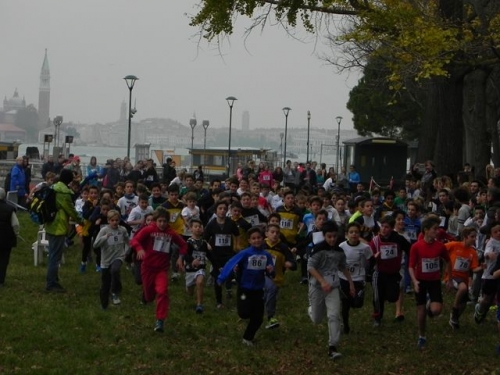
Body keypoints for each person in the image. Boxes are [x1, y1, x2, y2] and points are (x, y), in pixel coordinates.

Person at [130, 207, 187, 332]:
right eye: (160, 221)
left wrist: (180, 258)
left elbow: (183, 244)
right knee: (149, 296)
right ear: (156, 221)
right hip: (147, 267)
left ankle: (160, 320)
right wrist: (139, 249)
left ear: (168, 222)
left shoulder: (171, 233)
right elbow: (134, 240)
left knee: (162, 292)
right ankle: (147, 295)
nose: (162, 224)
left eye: (164, 221)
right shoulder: (149, 230)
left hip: (162, 269)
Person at [217, 227, 274, 346]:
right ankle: (246, 312)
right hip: (244, 288)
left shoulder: (266, 255)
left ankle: (247, 338)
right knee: (244, 313)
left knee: (258, 318)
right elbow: (231, 263)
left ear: (263, 239)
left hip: (258, 290)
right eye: (254, 238)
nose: (257, 240)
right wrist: (222, 278)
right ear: (249, 240)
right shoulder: (245, 253)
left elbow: (271, 272)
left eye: (259, 238)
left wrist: (270, 270)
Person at [307, 222, 355, 360]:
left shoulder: (339, 252)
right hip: (317, 287)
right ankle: (311, 310)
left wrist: (351, 284)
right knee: (317, 319)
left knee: (333, 316)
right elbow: (310, 267)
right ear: (324, 236)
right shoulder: (318, 250)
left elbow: (343, 267)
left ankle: (332, 347)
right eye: (329, 237)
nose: (332, 239)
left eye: (334, 236)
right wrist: (322, 281)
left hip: (333, 287)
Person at [409, 216, 453, 350]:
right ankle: (422, 336)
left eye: (438, 228)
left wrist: (449, 278)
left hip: (434, 281)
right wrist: (415, 281)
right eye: (435, 229)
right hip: (420, 281)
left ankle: (430, 306)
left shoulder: (440, 246)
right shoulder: (416, 246)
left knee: (436, 310)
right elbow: (411, 266)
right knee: (420, 310)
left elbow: (448, 261)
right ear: (426, 230)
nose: (438, 231)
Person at [45, 169, 84, 292]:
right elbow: (71, 210)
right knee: (55, 257)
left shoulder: (54, 187)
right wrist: (83, 222)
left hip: (50, 223)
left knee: (53, 253)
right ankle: (51, 284)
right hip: (59, 226)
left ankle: (53, 278)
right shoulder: (64, 192)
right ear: (69, 180)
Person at [338, 222, 372, 334]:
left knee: (357, 303)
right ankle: (345, 326)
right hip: (343, 278)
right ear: (346, 234)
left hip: (358, 278)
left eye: (356, 232)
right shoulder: (341, 246)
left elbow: (371, 260)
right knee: (345, 304)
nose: (354, 234)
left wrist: (368, 273)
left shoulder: (365, 247)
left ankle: (356, 299)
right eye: (351, 232)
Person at [444, 227, 481, 329]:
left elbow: (474, 269)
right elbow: (441, 249)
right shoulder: (454, 245)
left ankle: (454, 319)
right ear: (465, 237)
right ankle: (454, 310)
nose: (474, 239)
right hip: (452, 276)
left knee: (464, 304)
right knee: (463, 288)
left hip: (463, 278)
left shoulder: (473, 252)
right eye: (472, 237)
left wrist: (482, 267)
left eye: (475, 237)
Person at [93, 209, 130, 308]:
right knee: (105, 283)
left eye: (117, 220)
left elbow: (128, 241)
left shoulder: (122, 230)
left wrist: (126, 252)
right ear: (108, 221)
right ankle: (104, 304)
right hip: (106, 260)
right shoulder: (104, 230)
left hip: (118, 256)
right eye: (112, 220)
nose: (115, 222)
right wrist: (105, 237)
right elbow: (95, 244)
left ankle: (116, 291)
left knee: (115, 270)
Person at [263, 223, 296, 329]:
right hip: (260, 277)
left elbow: (293, 263)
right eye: (272, 232)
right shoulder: (261, 244)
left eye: (277, 232)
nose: (275, 234)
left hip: (276, 278)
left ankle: (269, 317)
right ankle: (270, 317)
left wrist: (290, 264)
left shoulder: (283, 247)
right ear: (266, 233)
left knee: (270, 297)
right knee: (266, 294)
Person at [183, 219, 210, 313]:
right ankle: (190, 286)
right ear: (190, 229)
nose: (198, 228)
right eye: (195, 226)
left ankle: (199, 305)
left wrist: (218, 266)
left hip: (201, 268)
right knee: (189, 291)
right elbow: (185, 255)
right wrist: (192, 260)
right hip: (190, 269)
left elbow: (210, 256)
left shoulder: (204, 243)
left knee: (200, 282)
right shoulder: (188, 242)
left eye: (200, 226)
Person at [0, 188, 19, 286]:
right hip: (6, 238)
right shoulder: (10, 209)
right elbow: (15, 224)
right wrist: (16, 234)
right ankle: (1, 280)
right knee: (3, 260)